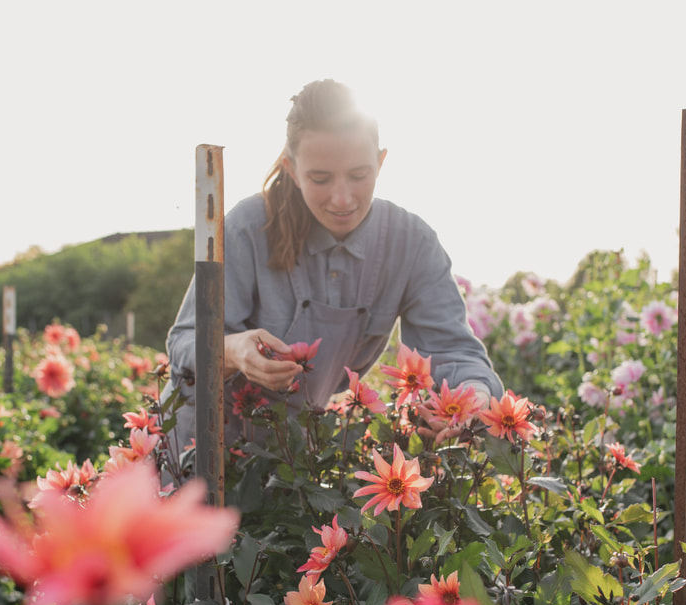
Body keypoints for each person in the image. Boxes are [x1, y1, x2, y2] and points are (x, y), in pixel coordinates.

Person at [166, 79, 502, 452]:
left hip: (292, 459)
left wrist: (477, 401)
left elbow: (454, 352)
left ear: (381, 161)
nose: (342, 199)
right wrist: (233, 351)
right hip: (200, 449)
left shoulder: (412, 242)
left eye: (359, 175)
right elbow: (183, 342)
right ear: (291, 170)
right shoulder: (247, 227)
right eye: (320, 178)